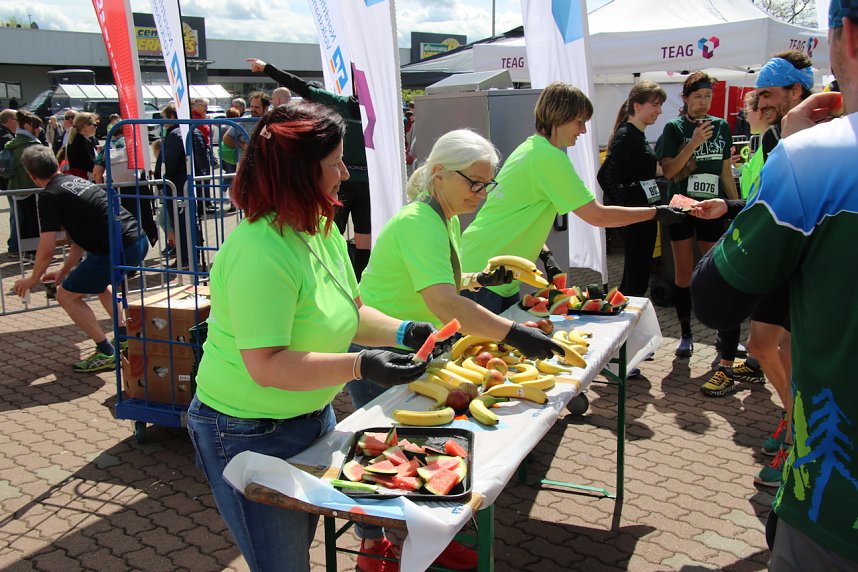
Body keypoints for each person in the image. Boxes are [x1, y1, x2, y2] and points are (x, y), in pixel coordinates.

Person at [186, 101, 432, 572]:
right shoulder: (260, 251)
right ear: (300, 171)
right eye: (336, 161)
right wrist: (361, 364)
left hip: (311, 415)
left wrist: (404, 330)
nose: (345, 171)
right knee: (283, 563)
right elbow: (268, 364)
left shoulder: (320, 227)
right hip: (244, 431)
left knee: (297, 551)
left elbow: (352, 309)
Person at [691, 3, 857, 567]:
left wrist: (788, 150)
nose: (760, 105)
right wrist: (732, 204)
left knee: (773, 345)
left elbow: (713, 299)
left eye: (768, 95)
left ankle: (794, 423)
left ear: (848, 39)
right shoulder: (780, 144)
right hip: (790, 252)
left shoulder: (813, 153)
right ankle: (792, 418)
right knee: (771, 346)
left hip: (836, 511)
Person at [354, 129, 566, 571]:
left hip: (414, 344)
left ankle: (427, 538)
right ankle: (371, 548)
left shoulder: (442, 216)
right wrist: (515, 335)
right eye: (474, 182)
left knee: (417, 450)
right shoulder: (419, 222)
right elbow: (445, 303)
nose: (482, 194)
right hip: (381, 347)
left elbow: (440, 279)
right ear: (438, 175)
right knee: (382, 455)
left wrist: (474, 280)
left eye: (487, 184)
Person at [460, 81, 687, 314]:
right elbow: (597, 216)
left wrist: (546, 255)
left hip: (493, 273)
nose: (583, 130)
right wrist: (656, 213)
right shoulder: (548, 158)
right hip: (485, 276)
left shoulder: (531, 148)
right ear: (559, 117)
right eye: (579, 122)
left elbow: (519, 213)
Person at [12, 145, 149, 372]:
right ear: (56, 165)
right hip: (136, 239)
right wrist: (64, 271)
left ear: (31, 175)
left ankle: (106, 352)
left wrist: (32, 279)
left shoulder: (49, 196)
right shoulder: (76, 181)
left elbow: (46, 248)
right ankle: (125, 336)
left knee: (66, 296)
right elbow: (79, 240)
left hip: (118, 246)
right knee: (101, 286)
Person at [248, 57, 374, 280]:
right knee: (348, 234)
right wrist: (268, 68)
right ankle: (354, 278)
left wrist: (267, 67)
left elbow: (301, 86)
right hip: (359, 182)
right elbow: (300, 86)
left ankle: (343, 278)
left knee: (332, 232)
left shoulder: (343, 104)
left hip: (342, 181)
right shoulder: (378, 111)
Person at [654, 72, 739, 361]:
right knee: (683, 274)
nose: (703, 102)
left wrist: (735, 205)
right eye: (698, 96)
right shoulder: (674, 128)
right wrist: (693, 142)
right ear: (686, 98)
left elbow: (725, 170)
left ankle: (723, 333)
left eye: (708, 97)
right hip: (681, 208)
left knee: (718, 271)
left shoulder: (722, 127)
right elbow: (668, 171)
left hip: (713, 207)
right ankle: (686, 333)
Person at [597, 81, 667, 297]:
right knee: (637, 280)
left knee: (636, 278)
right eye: (654, 105)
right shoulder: (627, 135)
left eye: (660, 105)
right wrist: (622, 209)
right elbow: (604, 175)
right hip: (634, 216)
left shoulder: (636, 134)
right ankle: (622, 323)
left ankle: (622, 321)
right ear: (637, 106)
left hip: (642, 214)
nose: (659, 111)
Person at [155, 103, 209, 268]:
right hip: (194, 185)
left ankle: (185, 258)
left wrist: (162, 181)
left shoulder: (175, 135)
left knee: (182, 224)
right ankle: (193, 256)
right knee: (192, 223)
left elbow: (168, 164)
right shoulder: (196, 131)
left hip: (178, 187)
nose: (162, 122)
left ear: (172, 117)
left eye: (164, 118)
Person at [3, 110, 44, 258]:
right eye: (37, 126)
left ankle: (25, 251)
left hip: (15, 189)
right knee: (33, 222)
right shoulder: (31, 145)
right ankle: (34, 252)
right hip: (32, 188)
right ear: (28, 126)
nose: (39, 129)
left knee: (22, 222)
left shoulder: (11, 145)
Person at [0, 108, 18, 256]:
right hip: (9, 182)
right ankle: (14, 246)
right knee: (16, 214)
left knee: (14, 213)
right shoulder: (6, 138)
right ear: (10, 120)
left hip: (6, 182)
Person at [66, 112, 99, 180]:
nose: (96, 127)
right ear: (86, 126)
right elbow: (91, 166)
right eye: (95, 125)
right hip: (86, 181)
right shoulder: (81, 142)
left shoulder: (79, 140)